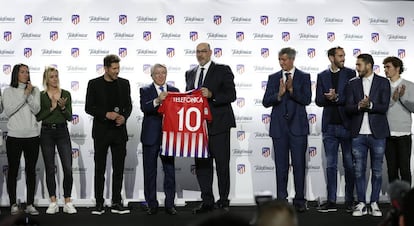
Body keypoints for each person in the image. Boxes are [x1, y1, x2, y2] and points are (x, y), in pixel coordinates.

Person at [185, 42, 236, 213]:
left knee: (222, 165)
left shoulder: (223, 70)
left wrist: (212, 95)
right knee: (202, 166)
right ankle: (207, 201)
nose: (200, 55)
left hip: (219, 125)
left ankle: (223, 200)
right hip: (198, 128)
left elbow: (231, 95)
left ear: (210, 52)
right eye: (198, 52)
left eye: (203, 51)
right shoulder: (190, 73)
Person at [262, 47, 311, 212]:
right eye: (279, 60)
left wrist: (291, 91)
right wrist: (279, 94)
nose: (281, 62)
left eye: (284, 59)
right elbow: (266, 101)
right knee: (281, 167)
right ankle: (281, 201)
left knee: (299, 165)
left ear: (292, 59)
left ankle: (299, 201)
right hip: (279, 129)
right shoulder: (273, 78)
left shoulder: (304, 77)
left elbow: (306, 99)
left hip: (298, 129)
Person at [85, 54, 132, 215]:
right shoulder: (94, 84)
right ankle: (99, 202)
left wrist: (124, 117)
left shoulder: (125, 84)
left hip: (119, 132)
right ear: (105, 68)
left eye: (118, 68)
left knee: (118, 169)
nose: (117, 71)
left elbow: (128, 106)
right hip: (102, 132)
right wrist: (106, 114)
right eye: (114, 68)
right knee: (100, 168)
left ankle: (116, 201)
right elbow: (88, 107)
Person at [345, 53, 390, 217]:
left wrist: (369, 104)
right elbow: (348, 108)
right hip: (358, 134)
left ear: (369, 65)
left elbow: (384, 106)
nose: (356, 68)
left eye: (359, 65)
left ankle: (374, 202)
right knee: (358, 170)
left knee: (377, 170)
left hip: (377, 133)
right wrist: (358, 105)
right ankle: (362, 203)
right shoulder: (352, 84)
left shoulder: (383, 82)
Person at [315, 47, 356, 213]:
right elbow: (317, 100)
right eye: (340, 56)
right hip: (329, 127)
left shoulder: (350, 74)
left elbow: (353, 97)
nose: (343, 58)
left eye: (344, 55)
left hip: (347, 125)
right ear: (331, 57)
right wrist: (327, 97)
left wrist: (336, 97)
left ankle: (349, 200)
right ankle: (331, 200)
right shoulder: (322, 76)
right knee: (330, 165)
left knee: (349, 165)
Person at [36, 66, 77, 214]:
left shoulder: (65, 94)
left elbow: (70, 117)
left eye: (56, 76)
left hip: (62, 131)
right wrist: (52, 108)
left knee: (67, 167)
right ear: (46, 79)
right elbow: (38, 117)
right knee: (50, 168)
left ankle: (67, 201)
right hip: (46, 132)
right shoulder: (40, 95)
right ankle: (53, 201)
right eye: (52, 76)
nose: (55, 79)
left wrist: (63, 108)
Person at [139, 64, 179, 215]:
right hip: (150, 136)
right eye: (157, 73)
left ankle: (170, 204)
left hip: (169, 137)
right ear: (152, 75)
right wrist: (157, 100)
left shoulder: (174, 91)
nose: (161, 76)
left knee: (170, 171)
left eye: (163, 73)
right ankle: (152, 204)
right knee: (150, 171)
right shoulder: (145, 90)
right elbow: (145, 107)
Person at [3, 63, 41, 215]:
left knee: (31, 171)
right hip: (14, 137)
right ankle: (13, 204)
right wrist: (24, 95)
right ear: (16, 74)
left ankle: (30, 203)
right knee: (13, 170)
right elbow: (9, 110)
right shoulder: (8, 91)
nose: (26, 74)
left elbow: (36, 109)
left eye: (27, 72)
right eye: (23, 72)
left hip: (32, 136)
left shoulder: (35, 90)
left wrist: (29, 94)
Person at [383, 56, 413, 186]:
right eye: (384, 67)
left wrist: (402, 98)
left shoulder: (410, 85)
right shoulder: (383, 86)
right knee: (392, 171)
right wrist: (393, 99)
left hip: (403, 134)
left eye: (388, 67)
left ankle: (407, 202)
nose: (385, 70)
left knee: (405, 170)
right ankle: (395, 203)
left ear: (397, 68)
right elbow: (381, 108)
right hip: (387, 133)